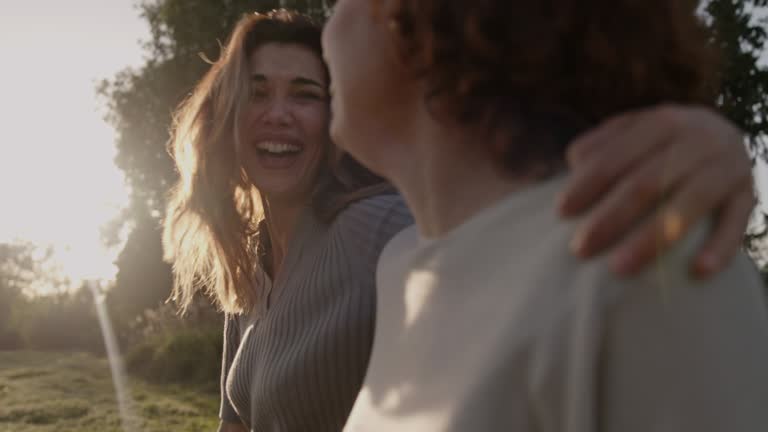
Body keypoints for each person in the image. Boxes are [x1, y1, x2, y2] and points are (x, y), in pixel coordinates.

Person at [163, 8, 756, 432]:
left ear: (411, 22)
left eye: (304, 92)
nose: (331, 18)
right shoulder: (407, 270)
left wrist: (703, 147)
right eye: (257, 93)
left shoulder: (643, 262)